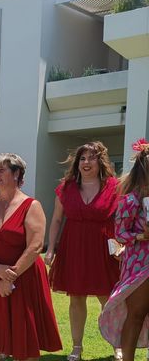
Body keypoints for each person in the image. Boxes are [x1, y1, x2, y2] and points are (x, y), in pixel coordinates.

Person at [0, 153, 62, 360]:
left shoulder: (32, 205)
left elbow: (35, 246)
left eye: (1, 170)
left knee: (25, 335)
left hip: (24, 276)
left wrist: (9, 276)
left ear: (17, 174)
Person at [45, 141, 121, 361]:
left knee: (107, 299)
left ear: (101, 161)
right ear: (77, 163)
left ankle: (117, 344)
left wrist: (121, 247)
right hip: (73, 247)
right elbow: (57, 219)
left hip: (103, 249)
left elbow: (121, 220)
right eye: (82, 158)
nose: (86, 162)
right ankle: (77, 347)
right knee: (76, 298)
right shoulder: (65, 187)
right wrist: (51, 248)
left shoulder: (114, 187)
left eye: (92, 158)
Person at [99, 138, 149, 361]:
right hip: (139, 264)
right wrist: (142, 235)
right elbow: (120, 234)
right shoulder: (130, 200)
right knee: (136, 315)